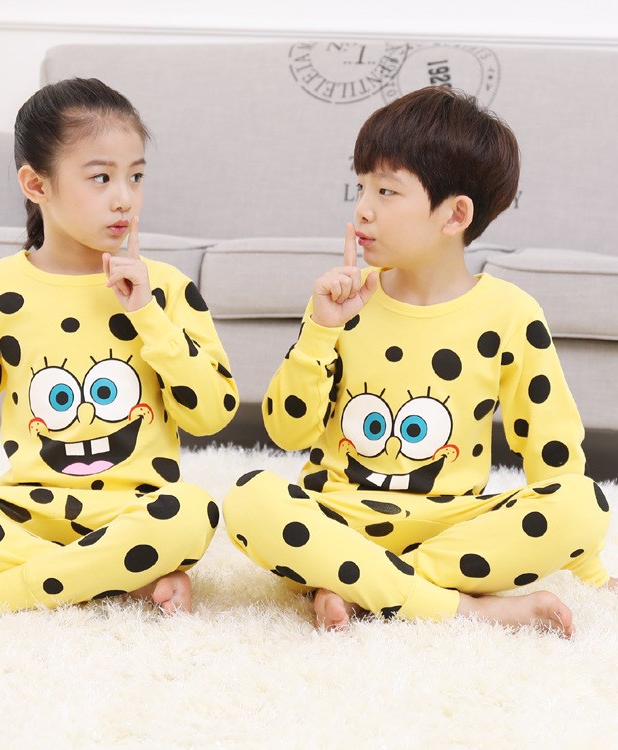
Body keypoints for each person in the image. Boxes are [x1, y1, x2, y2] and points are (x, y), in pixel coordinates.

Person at [223, 86, 614, 637]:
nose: (363, 208)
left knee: (583, 504)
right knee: (249, 497)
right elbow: (288, 432)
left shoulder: (510, 313)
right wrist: (321, 331)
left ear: (455, 215)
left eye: (386, 191)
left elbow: (550, 442)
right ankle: (462, 609)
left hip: (452, 529)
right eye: (361, 186)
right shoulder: (344, 299)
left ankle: (361, 586)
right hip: (339, 519)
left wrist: (587, 564)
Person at [0, 78, 238, 613]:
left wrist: (147, 315)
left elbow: (211, 414)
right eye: (101, 178)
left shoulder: (166, 288)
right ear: (36, 184)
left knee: (192, 511)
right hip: (28, 512)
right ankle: (117, 579)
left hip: (134, 514)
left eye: (136, 176)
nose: (124, 198)